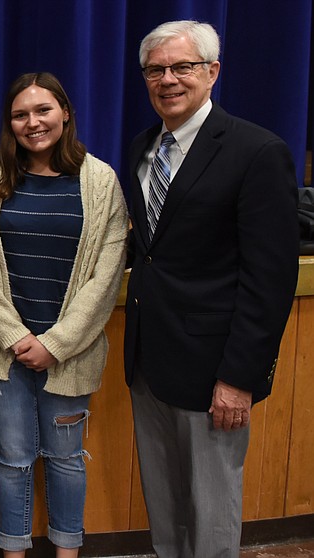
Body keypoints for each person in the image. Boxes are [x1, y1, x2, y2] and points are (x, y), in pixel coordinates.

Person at [124, 20, 297, 558]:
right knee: (165, 506)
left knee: (212, 509)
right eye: (156, 70)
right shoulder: (142, 148)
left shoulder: (256, 151)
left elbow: (270, 280)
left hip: (214, 370)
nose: (168, 79)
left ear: (212, 72)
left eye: (182, 67)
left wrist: (239, 378)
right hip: (149, 362)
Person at [0, 72, 128, 557]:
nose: (33, 123)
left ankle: (66, 551)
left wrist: (55, 344)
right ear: (9, 122)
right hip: (3, 353)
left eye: (43, 111)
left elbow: (108, 271)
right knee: (12, 461)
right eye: (21, 115)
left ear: (65, 114)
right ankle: (13, 551)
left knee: (65, 460)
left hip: (70, 355)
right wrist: (16, 337)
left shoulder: (99, 179)